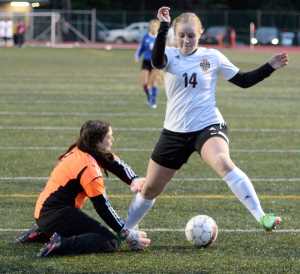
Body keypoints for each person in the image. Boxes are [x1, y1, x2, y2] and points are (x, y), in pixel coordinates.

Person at [124, 7, 288, 235]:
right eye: (181, 35)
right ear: (175, 35)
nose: (186, 40)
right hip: (174, 132)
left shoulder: (212, 57)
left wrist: (269, 67)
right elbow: (157, 61)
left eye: (191, 35)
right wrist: (163, 27)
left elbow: (243, 80)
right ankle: (126, 230)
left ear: (200, 34)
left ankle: (262, 216)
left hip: (207, 125)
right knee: (150, 189)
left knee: (223, 162)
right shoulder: (169, 55)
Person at [16, 120, 150, 257]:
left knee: (87, 228)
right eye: (109, 137)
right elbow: (103, 207)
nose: (112, 140)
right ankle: (61, 243)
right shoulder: (89, 169)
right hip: (56, 215)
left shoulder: (81, 148)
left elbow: (114, 163)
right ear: (98, 142)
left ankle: (42, 232)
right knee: (110, 241)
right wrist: (125, 233)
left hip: (44, 213)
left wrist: (134, 178)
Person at [135, 19, 160, 108]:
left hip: (156, 62)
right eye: (152, 26)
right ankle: (149, 97)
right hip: (146, 61)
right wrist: (137, 56)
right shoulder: (146, 36)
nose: (153, 28)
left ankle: (153, 101)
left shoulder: (160, 38)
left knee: (154, 82)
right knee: (144, 83)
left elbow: (163, 50)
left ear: (158, 27)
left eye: (155, 26)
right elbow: (141, 48)